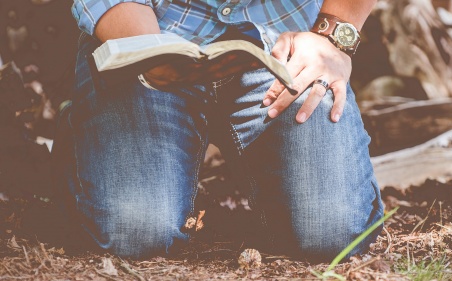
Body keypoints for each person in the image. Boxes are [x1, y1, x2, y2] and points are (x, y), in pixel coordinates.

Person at [53, 0, 383, 260]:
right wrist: (145, 48)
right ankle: (84, 145)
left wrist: (333, 36)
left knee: (334, 232)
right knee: (135, 230)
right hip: (148, 32)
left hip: (284, 47)